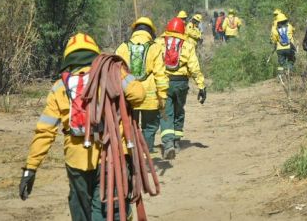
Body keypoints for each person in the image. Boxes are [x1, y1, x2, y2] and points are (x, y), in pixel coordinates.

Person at [19, 33, 145, 221]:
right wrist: (122, 73)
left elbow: (45, 131)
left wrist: (31, 168)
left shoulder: (60, 87)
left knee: (81, 211)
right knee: (108, 210)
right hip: (110, 156)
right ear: (95, 55)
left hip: (76, 160)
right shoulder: (112, 74)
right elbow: (139, 95)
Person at [115, 17, 169, 155]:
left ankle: (132, 157)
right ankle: (145, 156)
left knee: (129, 126)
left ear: (134, 30)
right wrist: (162, 96)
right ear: (151, 31)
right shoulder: (154, 47)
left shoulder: (123, 47)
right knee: (149, 127)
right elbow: (160, 75)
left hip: (129, 96)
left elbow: (115, 73)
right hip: (150, 98)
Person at [158, 17, 206, 159]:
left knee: (166, 112)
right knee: (179, 111)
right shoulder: (188, 44)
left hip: (164, 82)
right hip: (181, 83)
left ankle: (168, 144)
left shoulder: (159, 42)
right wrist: (201, 86)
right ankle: (177, 142)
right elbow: (194, 68)